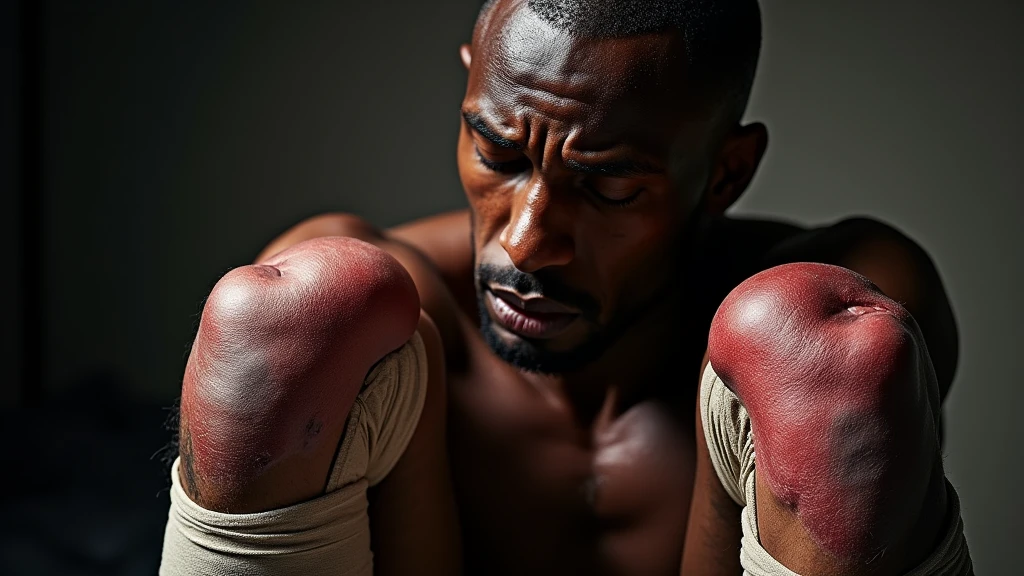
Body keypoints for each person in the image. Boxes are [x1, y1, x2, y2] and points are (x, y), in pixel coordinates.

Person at [159, 1, 972, 574]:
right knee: (293, 314)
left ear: (727, 173)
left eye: (609, 187)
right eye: (498, 154)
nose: (525, 243)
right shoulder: (396, 314)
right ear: (472, 84)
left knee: (824, 348)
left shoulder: (840, 303)